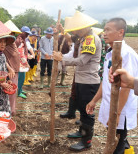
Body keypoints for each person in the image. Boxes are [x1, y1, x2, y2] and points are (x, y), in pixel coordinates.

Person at [86, 18, 138, 153]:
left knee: (117, 145)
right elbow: (105, 81)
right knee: (117, 140)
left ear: (120, 32)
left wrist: (117, 113)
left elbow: (126, 87)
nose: (104, 33)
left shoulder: (126, 54)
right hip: (111, 106)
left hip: (120, 109)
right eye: (104, 29)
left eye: (108, 29)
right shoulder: (111, 53)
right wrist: (94, 100)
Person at [53, 11, 101, 151]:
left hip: (88, 82)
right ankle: (81, 132)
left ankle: (86, 141)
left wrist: (62, 59)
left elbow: (81, 61)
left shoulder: (91, 39)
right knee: (81, 108)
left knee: (87, 112)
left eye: (76, 29)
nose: (75, 31)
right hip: (82, 80)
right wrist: (62, 31)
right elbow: (71, 39)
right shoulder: (84, 38)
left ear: (84, 27)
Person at [3, 32, 20, 116]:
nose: (12, 36)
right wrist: (9, 67)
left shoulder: (12, 43)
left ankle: (11, 110)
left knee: (13, 90)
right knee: (10, 91)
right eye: (11, 34)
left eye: (13, 34)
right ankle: (9, 111)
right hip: (10, 71)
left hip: (14, 69)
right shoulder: (4, 45)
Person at [15, 26, 32, 99]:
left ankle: (20, 90)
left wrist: (27, 55)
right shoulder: (20, 41)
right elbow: (21, 55)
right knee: (21, 79)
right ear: (23, 33)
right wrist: (26, 63)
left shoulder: (22, 40)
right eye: (26, 34)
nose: (27, 35)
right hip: (20, 64)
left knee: (22, 78)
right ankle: (18, 93)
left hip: (21, 63)